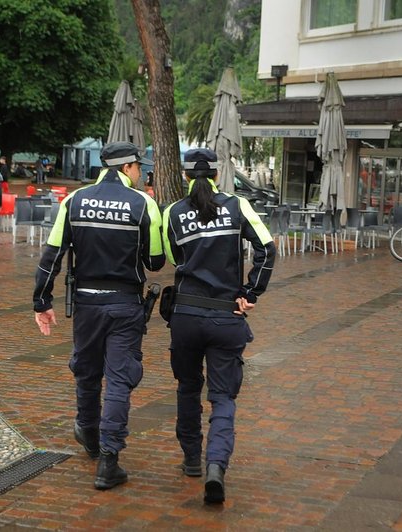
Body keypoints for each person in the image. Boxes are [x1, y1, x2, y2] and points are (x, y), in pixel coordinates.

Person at [33, 141, 165, 491]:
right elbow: (155, 262)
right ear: (126, 168)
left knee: (87, 371)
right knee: (119, 379)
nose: (140, 174)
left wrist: (41, 301)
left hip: (87, 303)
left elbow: (52, 255)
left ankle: (87, 431)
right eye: (138, 167)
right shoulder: (144, 203)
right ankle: (109, 460)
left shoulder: (74, 200)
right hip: (125, 304)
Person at [161, 148, 276, 504]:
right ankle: (216, 466)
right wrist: (251, 291)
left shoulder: (173, 212)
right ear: (217, 173)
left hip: (186, 315)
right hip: (227, 315)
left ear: (185, 175)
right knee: (223, 396)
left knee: (187, 387)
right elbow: (268, 248)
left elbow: (173, 257)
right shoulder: (237, 205)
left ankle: (192, 459)